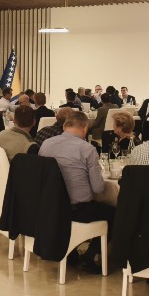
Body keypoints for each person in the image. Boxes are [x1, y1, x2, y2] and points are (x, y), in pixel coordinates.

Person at [40, 111, 111, 272]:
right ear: (85, 128)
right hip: (77, 210)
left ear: (65, 126)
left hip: (49, 207)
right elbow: (98, 188)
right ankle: (89, 257)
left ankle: (71, 252)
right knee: (115, 214)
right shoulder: (87, 149)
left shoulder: (46, 144)